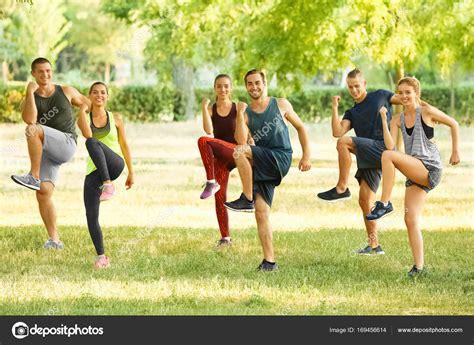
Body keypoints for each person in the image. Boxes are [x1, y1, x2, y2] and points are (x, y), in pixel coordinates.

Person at [366, 77, 460, 277]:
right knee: (410, 220)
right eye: (400, 93)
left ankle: (384, 203)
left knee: (387, 156)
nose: (404, 96)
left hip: (429, 168)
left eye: (408, 92)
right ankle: (419, 268)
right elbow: (391, 146)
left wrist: (455, 152)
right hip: (415, 172)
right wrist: (384, 120)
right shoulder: (397, 120)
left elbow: (454, 124)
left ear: (416, 93)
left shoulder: (426, 112)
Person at [224, 69, 311, 271]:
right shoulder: (246, 114)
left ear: (265, 84)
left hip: (280, 156)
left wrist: (306, 155)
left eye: (257, 83)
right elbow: (241, 140)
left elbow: (301, 128)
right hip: (263, 160)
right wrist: (239, 114)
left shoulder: (280, 104)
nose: (254, 87)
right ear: (246, 87)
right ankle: (269, 262)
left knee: (239, 152)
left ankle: (246, 198)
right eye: (250, 84)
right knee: (261, 212)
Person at [317, 68, 403, 255]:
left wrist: (426, 109)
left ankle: (341, 188)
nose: (354, 90)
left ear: (364, 84)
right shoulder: (352, 112)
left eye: (357, 86)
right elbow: (337, 131)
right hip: (370, 157)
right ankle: (374, 245)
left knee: (344, 143)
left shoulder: (381, 95)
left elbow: (405, 99)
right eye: (350, 87)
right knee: (365, 200)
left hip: (383, 148)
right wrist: (334, 108)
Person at [11, 57, 90, 249]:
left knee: (34, 130)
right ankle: (55, 241)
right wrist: (29, 92)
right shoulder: (30, 98)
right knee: (43, 193)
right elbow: (29, 118)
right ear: (33, 74)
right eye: (41, 72)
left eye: (48, 71)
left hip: (66, 143)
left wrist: (81, 116)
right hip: (47, 150)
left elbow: (87, 102)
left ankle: (33, 175)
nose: (46, 74)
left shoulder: (66, 91)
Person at [77, 81, 134, 268]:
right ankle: (102, 257)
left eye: (102, 92)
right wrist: (82, 110)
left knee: (93, 143)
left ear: (107, 96)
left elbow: (124, 144)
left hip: (115, 164)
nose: (99, 95)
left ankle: (109, 185)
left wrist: (131, 172)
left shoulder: (116, 118)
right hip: (95, 171)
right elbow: (86, 134)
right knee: (91, 214)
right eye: (95, 92)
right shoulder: (84, 118)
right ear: (90, 95)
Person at [197, 74, 246, 248]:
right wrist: (204, 108)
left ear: (231, 88)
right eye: (219, 86)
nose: (223, 89)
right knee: (219, 197)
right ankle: (225, 238)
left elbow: (243, 139)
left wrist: (240, 113)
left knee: (203, 141)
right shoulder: (212, 109)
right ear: (214, 88)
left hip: (236, 152)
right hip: (221, 159)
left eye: (226, 86)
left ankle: (210, 182)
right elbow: (209, 130)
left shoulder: (238, 108)